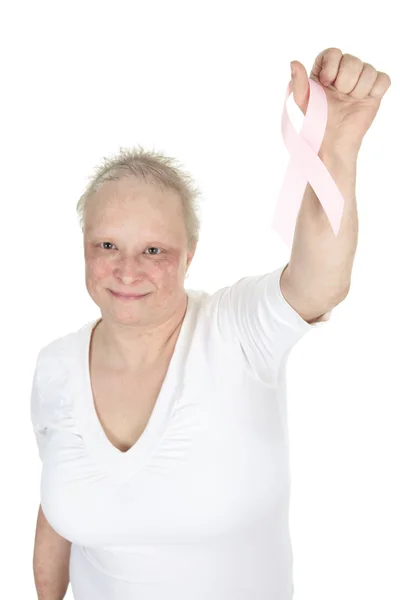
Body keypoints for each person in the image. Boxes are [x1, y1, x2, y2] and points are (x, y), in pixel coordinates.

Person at [31, 145, 335, 600]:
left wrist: (337, 147)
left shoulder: (235, 330)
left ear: (189, 255)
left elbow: (320, 280)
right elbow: (59, 511)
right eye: (107, 245)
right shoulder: (55, 366)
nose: (127, 271)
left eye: (153, 250)